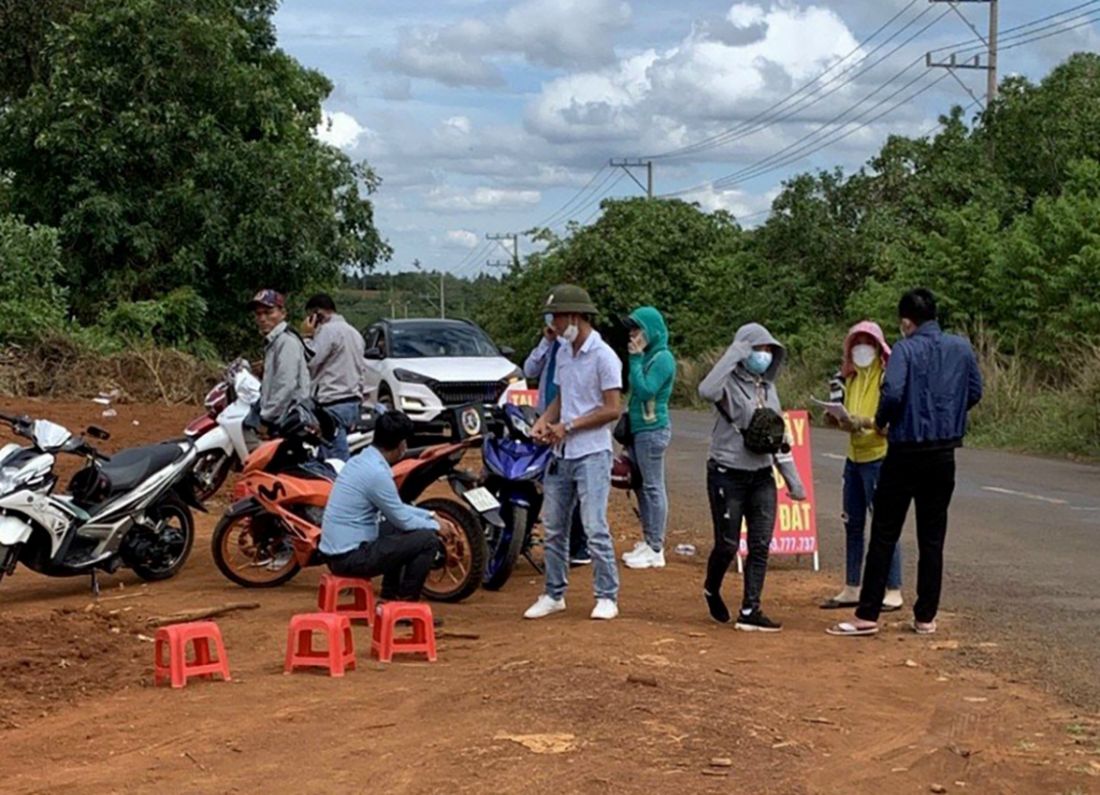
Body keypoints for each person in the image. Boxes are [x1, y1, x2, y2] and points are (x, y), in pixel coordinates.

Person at [828, 288, 982, 638]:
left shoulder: (905, 350)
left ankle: (867, 615)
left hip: (905, 451)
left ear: (906, 322)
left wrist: (883, 420)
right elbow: (975, 390)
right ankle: (925, 616)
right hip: (944, 453)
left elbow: (893, 392)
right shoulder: (961, 347)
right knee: (932, 537)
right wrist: (949, 413)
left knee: (884, 531)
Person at [698, 323, 806, 633]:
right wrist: (734, 352)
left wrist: (794, 482)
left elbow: (778, 436)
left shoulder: (768, 388)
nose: (764, 355)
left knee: (760, 543)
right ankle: (711, 588)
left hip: (761, 475)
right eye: (758, 348)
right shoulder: (726, 384)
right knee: (728, 544)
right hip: (726, 473)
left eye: (769, 350)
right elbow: (705, 391)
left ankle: (750, 608)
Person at [525, 285, 623, 621]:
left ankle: (607, 594)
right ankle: (554, 592)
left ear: (575, 316)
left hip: (592, 451)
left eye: (557, 316)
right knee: (553, 526)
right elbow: (563, 397)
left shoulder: (604, 356)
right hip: (562, 451)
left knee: (594, 525)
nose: (552, 323)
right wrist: (545, 421)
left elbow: (612, 409)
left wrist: (570, 426)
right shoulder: (563, 352)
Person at [320, 411, 449, 603]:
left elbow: (397, 508)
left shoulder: (361, 460)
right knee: (427, 540)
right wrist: (437, 527)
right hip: (349, 558)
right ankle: (405, 606)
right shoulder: (377, 473)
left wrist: (431, 516)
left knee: (396, 528)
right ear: (401, 444)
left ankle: (391, 595)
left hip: (338, 552)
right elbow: (404, 520)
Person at [819, 321, 904, 612]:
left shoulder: (887, 378)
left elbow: (892, 423)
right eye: (857, 342)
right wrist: (839, 420)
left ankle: (893, 589)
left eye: (868, 341)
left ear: (879, 346)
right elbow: (844, 416)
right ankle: (852, 586)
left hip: (880, 458)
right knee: (852, 524)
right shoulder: (849, 379)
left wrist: (865, 422)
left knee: (884, 525)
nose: (861, 348)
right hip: (854, 459)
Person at [523, 311, 591, 568]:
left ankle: (579, 545)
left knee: (574, 484)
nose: (553, 326)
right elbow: (529, 369)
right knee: (551, 482)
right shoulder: (553, 347)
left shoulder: (572, 348)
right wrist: (545, 343)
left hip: (569, 421)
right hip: (546, 417)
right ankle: (559, 545)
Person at [620, 307, 677, 570]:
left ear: (651, 331)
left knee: (653, 486)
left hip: (652, 431)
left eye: (637, 329)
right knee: (641, 486)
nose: (633, 334)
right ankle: (649, 538)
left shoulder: (662, 359)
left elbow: (645, 391)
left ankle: (656, 547)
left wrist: (634, 359)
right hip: (639, 430)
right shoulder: (648, 357)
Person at [303, 293, 367, 461]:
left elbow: (310, 359)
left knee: (334, 461)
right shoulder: (355, 333)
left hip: (332, 403)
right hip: (352, 402)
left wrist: (308, 336)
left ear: (317, 314)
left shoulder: (327, 331)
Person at [248, 289, 311, 433]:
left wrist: (266, 418)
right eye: (258, 314)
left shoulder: (286, 342)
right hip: (283, 420)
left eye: (268, 312)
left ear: (283, 313)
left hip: (287, 422)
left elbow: (285, 386)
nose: (262, 318)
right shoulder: (274, 342)